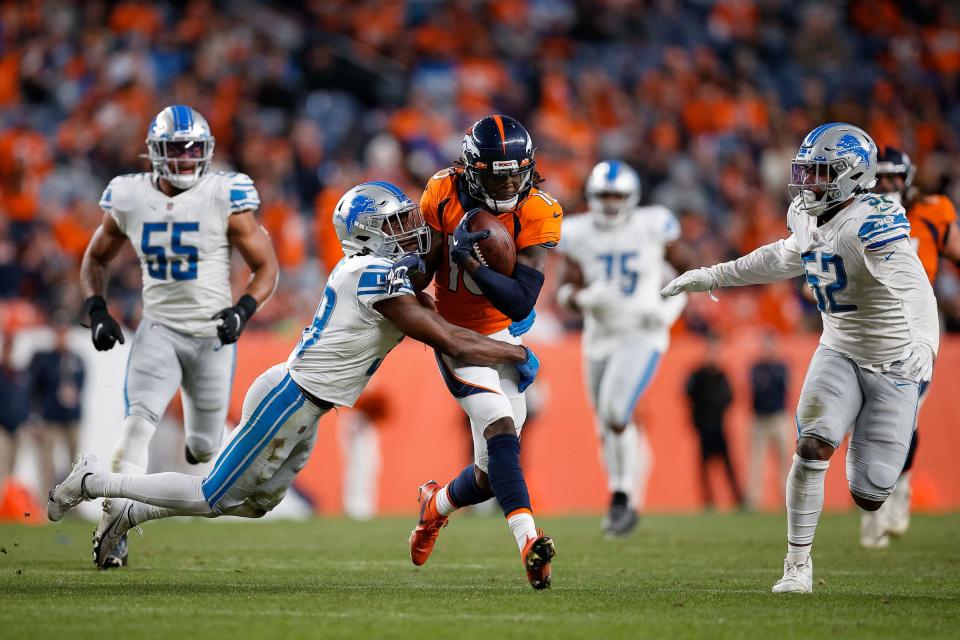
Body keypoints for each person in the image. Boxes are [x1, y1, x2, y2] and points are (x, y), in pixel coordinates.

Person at [48, 182, 541, 573]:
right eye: (395, 224)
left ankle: (126, 516)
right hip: (291, 396)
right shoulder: (372, 274)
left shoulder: (384, 273)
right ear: (366, 233)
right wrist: (513, 350)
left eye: (407, 219)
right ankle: (94, 481)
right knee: (210, 496)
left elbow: (433, 301)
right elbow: (448, 338)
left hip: (310, 404)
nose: (410, 230)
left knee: (255, 504)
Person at [662, 123, 938, 594]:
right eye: (806, 172)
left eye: (822, 173)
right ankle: (797, 567)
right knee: (810, 446)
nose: (809, 183)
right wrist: (712, 277)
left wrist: (924, 343)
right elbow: (784, 257)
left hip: (894, 363)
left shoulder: (871, 220)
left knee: (870, 493)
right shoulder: (808, 216)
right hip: (839, 349)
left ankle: (866, 428)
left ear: (852, 176)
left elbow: (914, 287)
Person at [78, 105, 279, 568]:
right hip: (160, 330)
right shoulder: (129, 196)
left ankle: (183, 453)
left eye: (194, 150)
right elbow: (96, 259)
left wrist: (244, 309)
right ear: (155, 153)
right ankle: (113, 527)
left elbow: (266, 266)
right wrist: (97, 309)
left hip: (212, 337)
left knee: (205, 450)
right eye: (176, 149)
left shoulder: (224, 193)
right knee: (138, 423)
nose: (186, 159)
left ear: (206, 152)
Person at [407, 115, 562, 589]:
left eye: (516, 172)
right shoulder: (442, 191)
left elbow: (520, 300)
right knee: (500, 428)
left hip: (504, 333)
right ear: (473, 169)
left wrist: (472, 262)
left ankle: (434, 507)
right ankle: (528, 542)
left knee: (490, 471)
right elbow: (423, 270)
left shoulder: (540, 209)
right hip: (455, 333)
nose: (509, 182)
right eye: (498, 173)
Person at [554, 160, 687, 536]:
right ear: (592, 197)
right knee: (607, 424)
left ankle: (621, 496)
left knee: (615, 412)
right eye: (604, 196)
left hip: (641, 332)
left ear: (632, 198)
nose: (611, 204)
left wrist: (668, 309)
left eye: (617, 196)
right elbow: (563, 290)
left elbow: (689, 271)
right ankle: (627, 492)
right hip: (599, 335)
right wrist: (583, 300)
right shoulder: (578, 232)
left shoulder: (652, 224)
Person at [858, 147, 959, 547]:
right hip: (865, 325)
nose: (886, 185)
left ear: (908, 178)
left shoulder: (930, 213)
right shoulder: (852, 215)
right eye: (879, 178)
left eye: (893, 177)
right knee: (863, 421)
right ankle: (873, 505)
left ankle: (898, 489)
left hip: (914, 326)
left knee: (905, 414)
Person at [28, 314, 85, 501]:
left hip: (71, 418)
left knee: (75, 465)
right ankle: (46, 502)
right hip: (50, 418)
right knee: (47, 463)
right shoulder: (44, 359)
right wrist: (36, 417)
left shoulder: (76, 359)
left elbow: (80, 386)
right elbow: (34, 388)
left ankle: (72, 503)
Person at [684, 339, 742, 510]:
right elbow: (688, 394)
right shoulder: (697, 374)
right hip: (703, 426)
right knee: (704, 467)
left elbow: (730, 397)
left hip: (719, 426)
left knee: (727, 465)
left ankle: (737, 499)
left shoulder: (722, 375)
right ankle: (708, 500)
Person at [746, 333, 790, 511]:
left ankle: (787, 498)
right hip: (760, 419)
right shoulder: (756, 368)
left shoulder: (781, 366)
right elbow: (758, 388)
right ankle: (753, 500)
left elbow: (785, 386)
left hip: (779, 417)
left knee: (785, 461)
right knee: (756, 461)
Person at [0, 333, 29, 499]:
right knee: (1, 466)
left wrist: (25, 420)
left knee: (12, 468)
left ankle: (7, 503)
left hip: (17, 426)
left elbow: (24, 399)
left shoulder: (18, 373)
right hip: (2, 426)